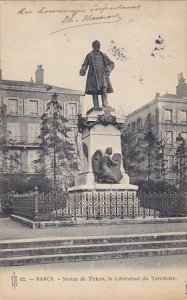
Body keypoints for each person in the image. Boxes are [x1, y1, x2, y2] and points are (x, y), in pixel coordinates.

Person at [80, 40, 114, 109]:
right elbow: (85, 64)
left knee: (104, 89)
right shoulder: (89, 55)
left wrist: (107, 69)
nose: (98, 47)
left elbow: (111, 63)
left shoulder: (103, 55)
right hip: (93, 76)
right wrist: (83, 70)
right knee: (94, 91)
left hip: (102, 75)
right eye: (96, 45)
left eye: (99, 45)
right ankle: (96, 105)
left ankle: (105, 105)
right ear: (93, 46)